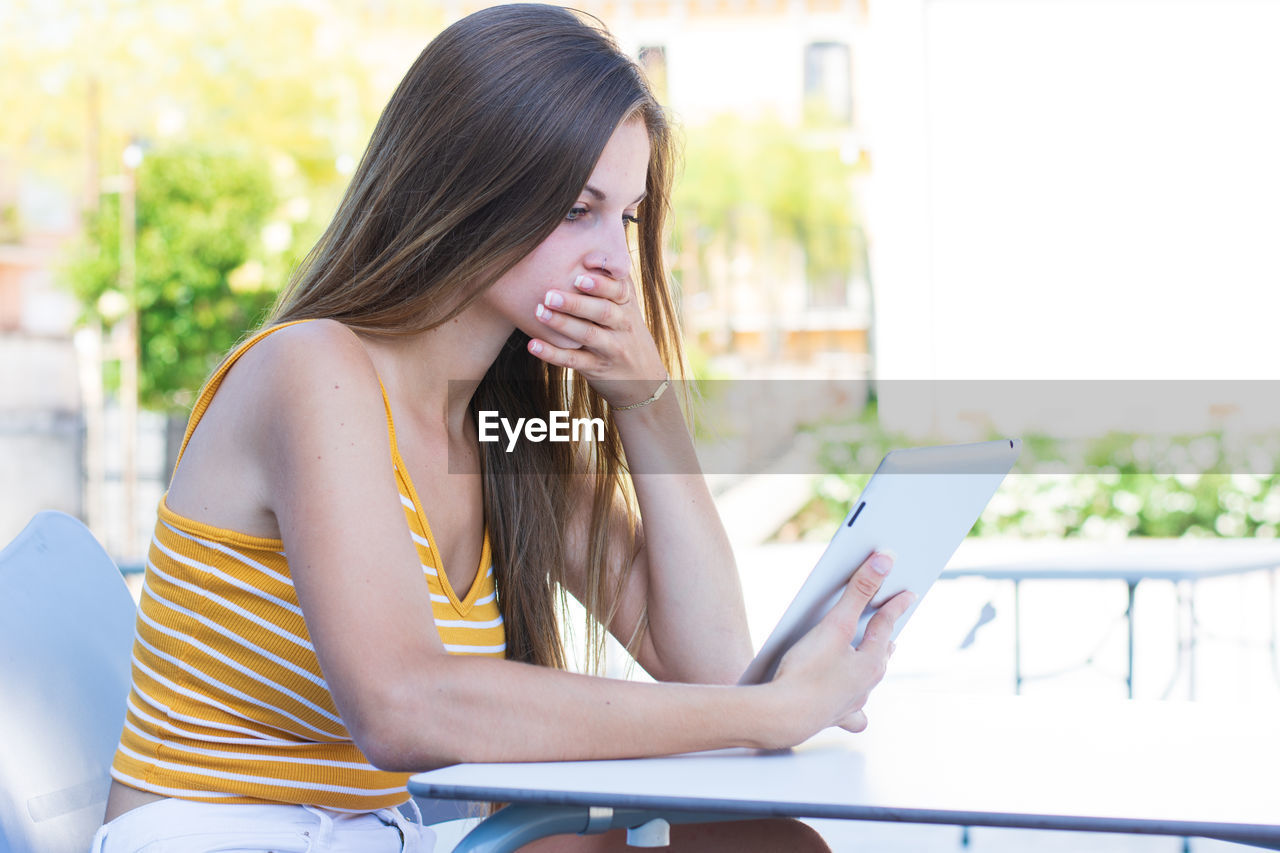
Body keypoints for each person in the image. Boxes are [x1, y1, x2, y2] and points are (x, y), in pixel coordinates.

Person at [93, 4, 914, 851]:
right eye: (574, 208)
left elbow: (709, 663)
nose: (612, 262)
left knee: (759, 841)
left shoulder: (500, 431)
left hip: (373, 834)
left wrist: (646, 402)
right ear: (465, 186)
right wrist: (771, 711)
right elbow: (403, 705)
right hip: (223, 833)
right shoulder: (310, 368)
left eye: (624, 218)